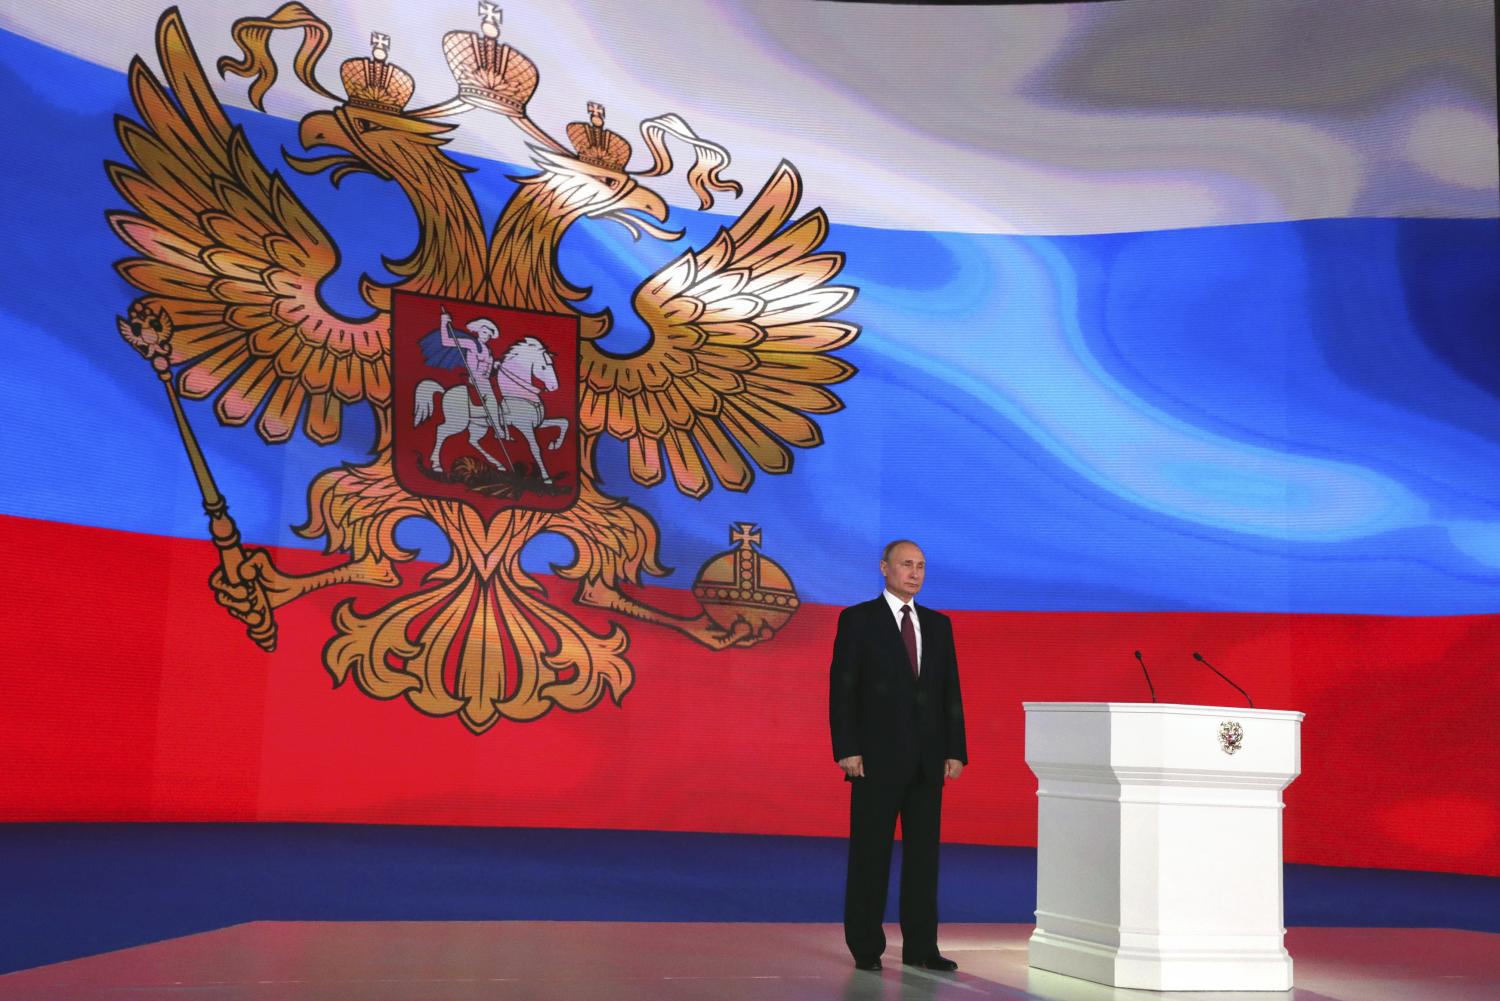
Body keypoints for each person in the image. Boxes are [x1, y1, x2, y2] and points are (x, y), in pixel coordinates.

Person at [829, 539, 968, 973]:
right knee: (871, 855)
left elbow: (950, 693)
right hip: (874, 759)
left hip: (928, 762)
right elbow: (842, 689)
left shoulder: (939, 625)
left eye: (921, 566)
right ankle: (867, 947)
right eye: (906, 564)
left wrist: (955, 750)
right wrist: (847, 748)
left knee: (924, 860)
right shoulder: (858, 620)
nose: (915, 572)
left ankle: (922, 948)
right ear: (884, 568)